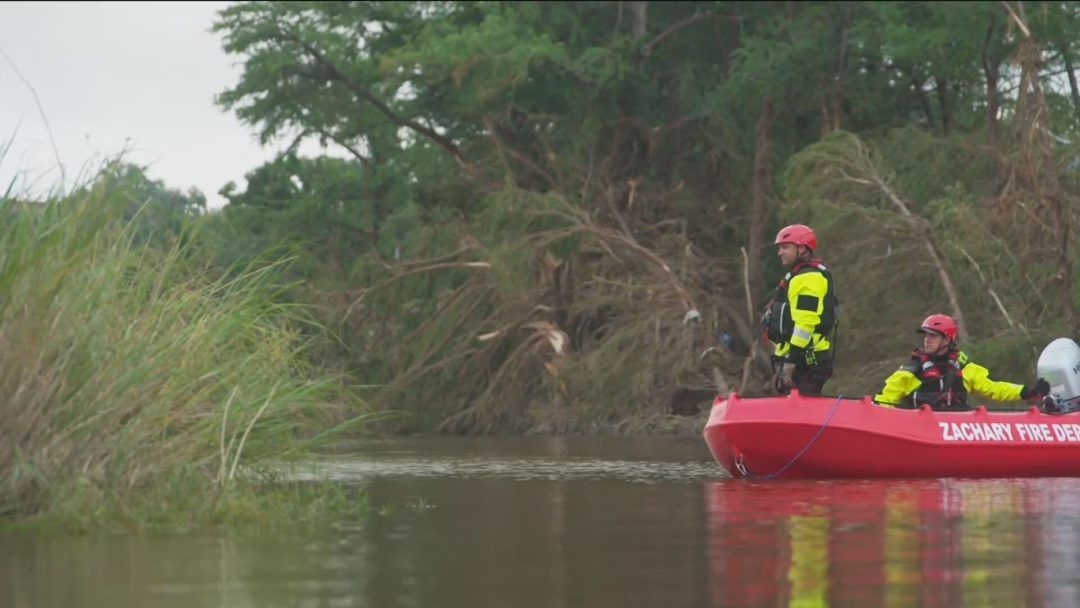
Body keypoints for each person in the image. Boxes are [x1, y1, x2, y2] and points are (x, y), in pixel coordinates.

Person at [873, 314, 1050, 410]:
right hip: (920, 429)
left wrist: (1028, 392)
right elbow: (883, 401)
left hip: (955, 428)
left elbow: (995, 389)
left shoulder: (966, 369)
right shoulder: (911, 371)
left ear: (947, 339)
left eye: (933, 336)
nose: (927, 340)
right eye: (926, 335)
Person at [761, 224, 839, 396]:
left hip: (806, 362)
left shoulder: (808, 277)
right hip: (796, 360)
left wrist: (791, 361)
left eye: (785, 247)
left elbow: (805, 324)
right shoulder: (797, 276)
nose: (780, 253)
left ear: (802, 249)